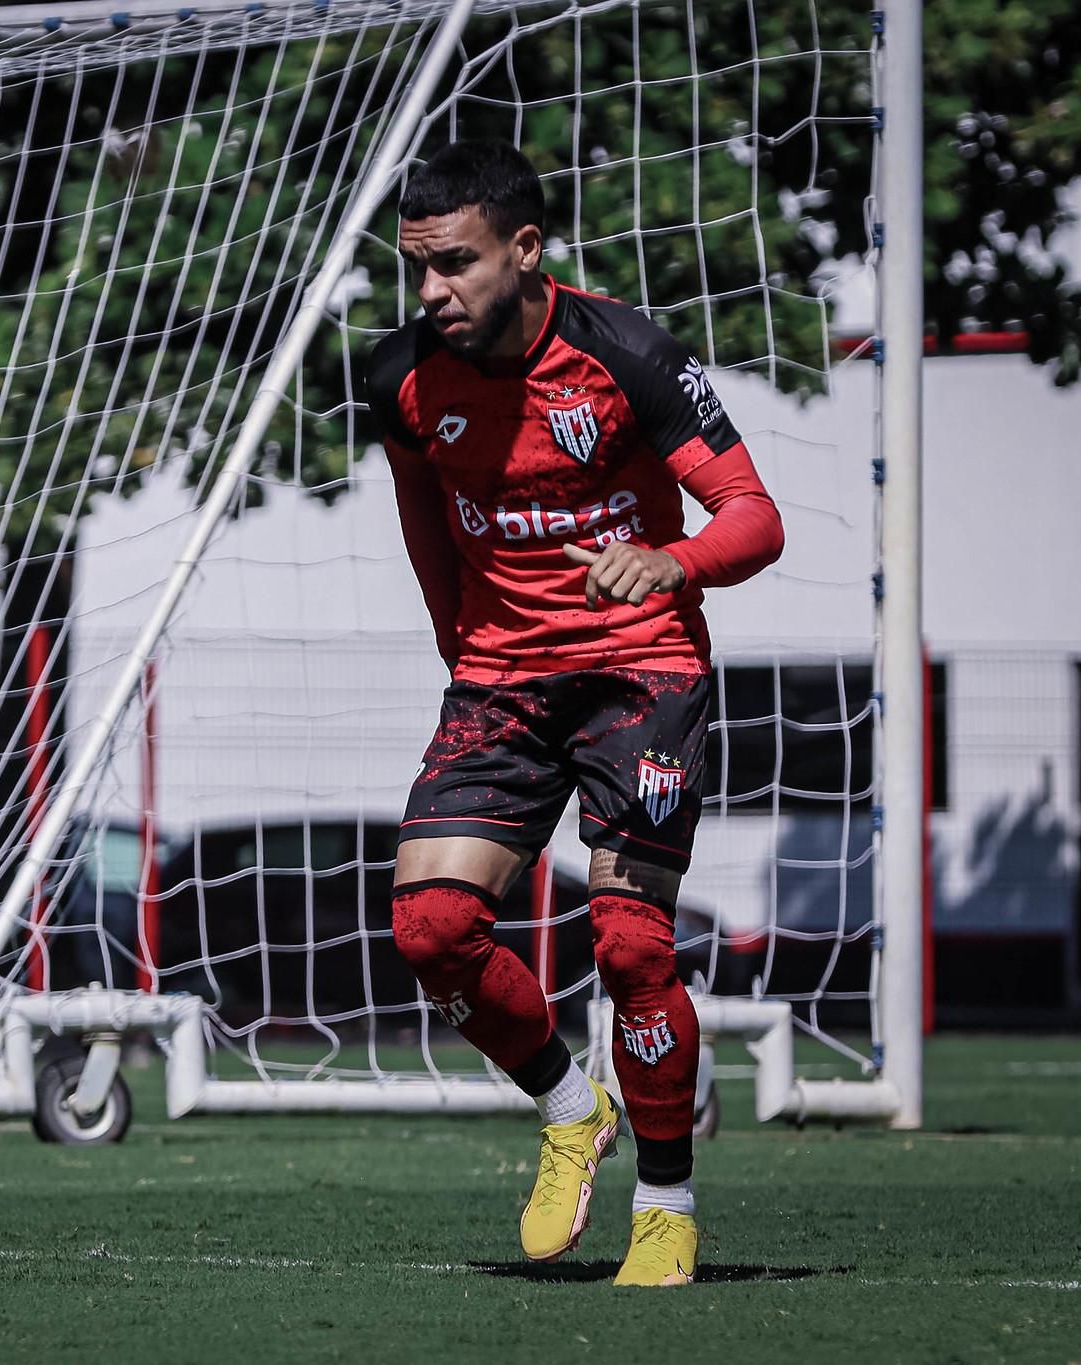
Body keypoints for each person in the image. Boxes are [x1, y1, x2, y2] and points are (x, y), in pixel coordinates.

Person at [367, 139, 785, 1286]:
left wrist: (672, 562)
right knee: (430, 932)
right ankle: (567, 1104)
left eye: (453, 265)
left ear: (524, 249)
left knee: (629, 941)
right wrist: (460, 643)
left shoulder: (626, 354)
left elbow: (753, 517)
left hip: (638, 670)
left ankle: (665, 1203)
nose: (430, 294)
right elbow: (423, 517)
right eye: (414, 268)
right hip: (500, 677)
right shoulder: (399, 377)